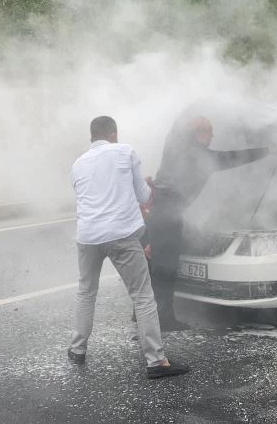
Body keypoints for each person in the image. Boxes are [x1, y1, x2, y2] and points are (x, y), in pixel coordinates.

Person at [69, 115, 190, 379]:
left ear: (93, 136)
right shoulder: (125, 152)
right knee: (143, 295)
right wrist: (146, 185)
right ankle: (156, 361)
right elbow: (144, 197)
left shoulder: (78, 164)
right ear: (113, 133)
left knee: (86, 292)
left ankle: (77, 349)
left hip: (87, 236)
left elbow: (89, 197)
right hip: (121, 234)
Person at [147, 115, 270, 331]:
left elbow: (174, 134)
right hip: (167, 216)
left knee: (155, 266)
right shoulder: (198, 154)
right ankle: (164, 319)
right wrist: (267, 151)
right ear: (198, 134)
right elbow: (232, 158)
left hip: (158, 212)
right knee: (166, 268)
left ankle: (143, 315)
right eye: (209, 132)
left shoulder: (174, 148)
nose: (213, 136)